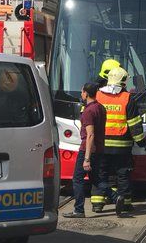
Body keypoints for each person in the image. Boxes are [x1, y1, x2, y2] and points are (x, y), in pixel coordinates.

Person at [91, 67, 146, 216]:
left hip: (101, 145)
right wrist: (141, 141)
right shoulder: (128, 98)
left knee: (100, 174)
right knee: (123, 174)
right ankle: (125, 204)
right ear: (123, 81)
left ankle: (97, 203)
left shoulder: (97, 96)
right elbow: (134, 124)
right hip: (122, 147)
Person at [63, 83, 107, 218]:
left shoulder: (88, 111)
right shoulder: (101, 108)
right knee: (96, 179)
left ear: (86, 93)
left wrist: (86, 158)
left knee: (77, 179)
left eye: (82, 92)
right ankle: (116, 196)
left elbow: (90, 135)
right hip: (99, 148)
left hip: (87, 150)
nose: (81, 94)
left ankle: (79, 210)